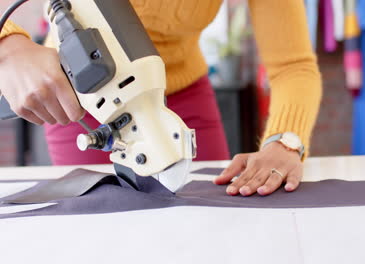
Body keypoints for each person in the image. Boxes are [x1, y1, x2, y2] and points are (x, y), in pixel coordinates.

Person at [0, 0, 322, 197]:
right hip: (86, 100)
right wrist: (8, 45)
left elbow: (294, 66)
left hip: (183, 100)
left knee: (213, 223)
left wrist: (284, 142)